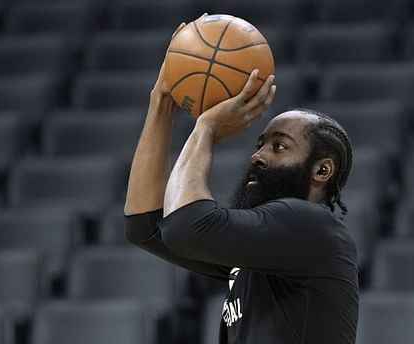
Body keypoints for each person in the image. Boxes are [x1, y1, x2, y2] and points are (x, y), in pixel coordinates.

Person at [124, 22, 358, 344]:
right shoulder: (273, 252)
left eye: (279, 146)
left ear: (321, 171)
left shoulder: (310, 225)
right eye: (259, 144)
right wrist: (162, 99)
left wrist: (205, 128)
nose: (257, 157)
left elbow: (184, 226)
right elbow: (146, 227)